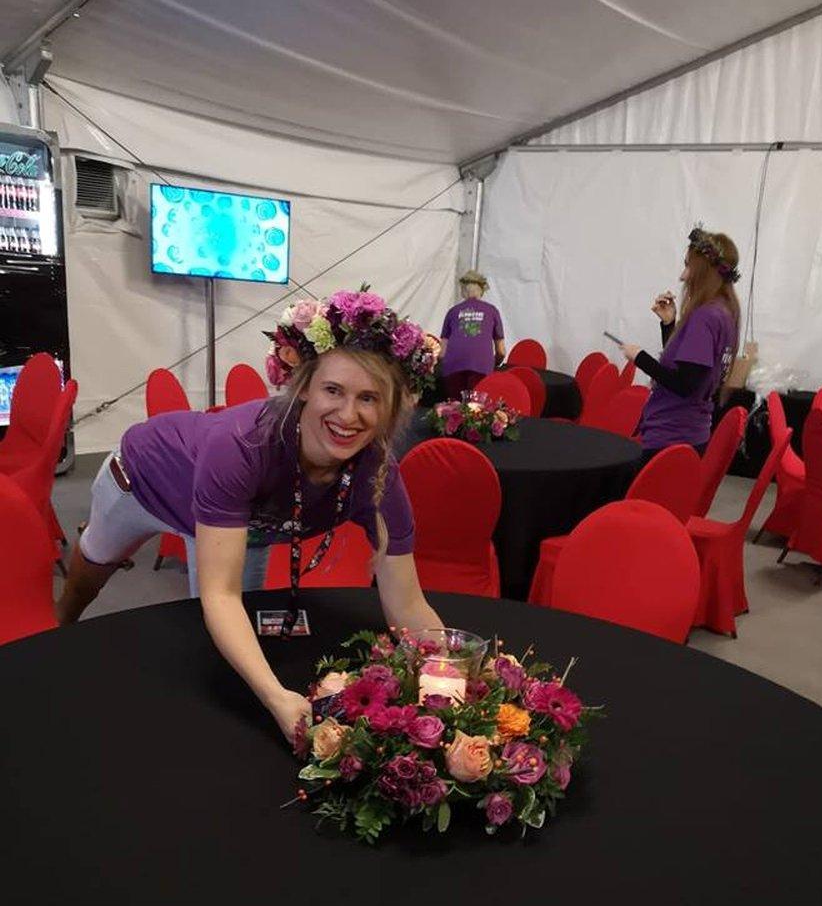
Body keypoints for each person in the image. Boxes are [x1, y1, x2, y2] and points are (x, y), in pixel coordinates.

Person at [56, 288, 444, 745]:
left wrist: (452, 667)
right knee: (92, 571)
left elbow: (407, 603)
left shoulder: (378, 477)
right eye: (333, 391)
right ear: (304, 389)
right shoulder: (242, 446)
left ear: (390, 407)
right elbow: (221, 596)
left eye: (369, 398)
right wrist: (280, 701)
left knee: (232, 631)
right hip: (142, 482)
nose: (348, 415)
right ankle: (59, 627)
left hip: (241, 522)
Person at [621, 228, 740, 461]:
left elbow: (685, 384)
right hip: (692, 434)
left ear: (703, 272)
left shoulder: (705, 317)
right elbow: (689, 368)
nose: (682, 276)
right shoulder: (725, 313)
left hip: (670, 435)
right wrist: (669, 324)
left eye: (688, 267)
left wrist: (639, 357)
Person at [439, 269, 506, 402]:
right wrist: (495, 363)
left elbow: (442, 353)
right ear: (482, 291)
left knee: (455, 407)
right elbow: (501, 351)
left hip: (453, 366)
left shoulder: (452, 312)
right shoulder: (492, 311)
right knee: (476, 408)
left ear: (463, 291)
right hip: (482, 366)